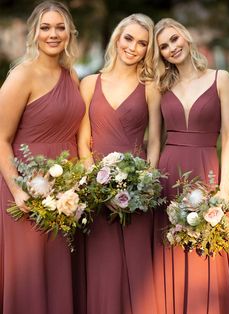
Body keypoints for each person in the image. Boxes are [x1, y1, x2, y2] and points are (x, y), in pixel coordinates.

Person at [0, 1, 85, 313]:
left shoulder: (71, 75)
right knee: (31, 274)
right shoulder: (22, 75)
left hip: (66, 194)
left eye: (60, 27)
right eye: (46, 27)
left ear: (69, 33)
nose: (53, 34)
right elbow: (1, 138)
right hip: (27, 187)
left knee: (59, 268)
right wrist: (18, 189)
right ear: (34, 33)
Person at [77, 13, 161, 314]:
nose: (133, 48)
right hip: (97, 196)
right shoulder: (89, 83)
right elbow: (82, 143)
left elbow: (154, 140)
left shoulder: (150, 86)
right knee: (103, 270)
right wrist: (100, 188)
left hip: (139, 195)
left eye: (142, 43)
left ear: (148, 50)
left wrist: (145, 183)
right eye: (129, 38)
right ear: (117, 37)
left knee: (140, 274)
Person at [153, 18, 229, 314]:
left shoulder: (220, 78)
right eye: (164, 46)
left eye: (174, 39)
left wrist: (224, 190)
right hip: (169, 173)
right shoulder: (162, 86)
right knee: (170, 251)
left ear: (186, 37)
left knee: (207, 249)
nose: (172, 48)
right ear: (160, 53)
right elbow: (154, 137)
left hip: (206, 170)